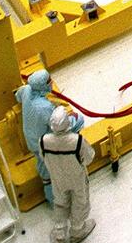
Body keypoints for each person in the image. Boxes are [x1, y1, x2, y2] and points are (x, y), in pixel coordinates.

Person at [15, 69, 84, 205]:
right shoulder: (44, 107)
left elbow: (18, 95)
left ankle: (50, 197)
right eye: (48, 81)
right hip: (46, 144)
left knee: (43, 168)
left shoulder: (26, 90)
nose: (50, 83)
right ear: (42, 85)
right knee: (79, 121)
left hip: (32, 141)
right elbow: (59, 126)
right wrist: (74, 119)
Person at [40, 105, 96, 243]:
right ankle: (77, 231)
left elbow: (43, 157)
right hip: (77, 178)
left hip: (57, 179)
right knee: (80, 202)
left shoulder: (44, 140)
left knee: (60, 204)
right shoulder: (76, 141)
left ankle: (59, 238)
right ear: (68, 123)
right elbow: (89, 157)